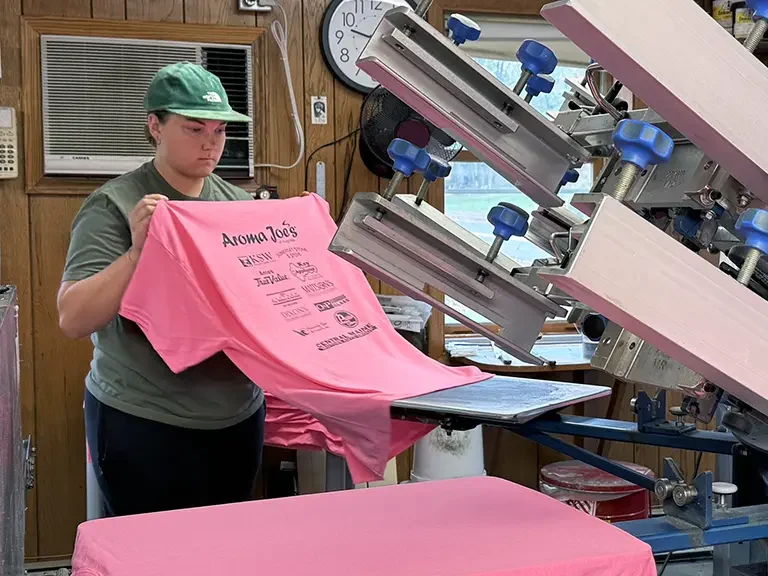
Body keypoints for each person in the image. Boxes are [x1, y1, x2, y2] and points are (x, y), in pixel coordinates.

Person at [57, 62, 272, 517]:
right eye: (194, 128)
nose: (210, 143)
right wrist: (137, 254)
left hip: (237, 415)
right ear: (155, 126)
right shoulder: (114, 204)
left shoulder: (241, 207)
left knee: (222, 553)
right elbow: (73, 318)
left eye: (219, 130)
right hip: (144, 417)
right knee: (148, 557)